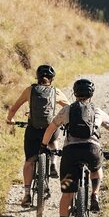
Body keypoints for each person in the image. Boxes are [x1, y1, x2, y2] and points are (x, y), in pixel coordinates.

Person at [41, 78, 109, 217]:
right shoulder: (97, 111)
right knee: (96, 168)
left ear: (75, 93)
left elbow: (51, 128)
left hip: (70, 155)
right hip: (92, 151)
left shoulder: (68, 110)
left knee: (67, 194)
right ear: (91, 94)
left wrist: (43, 146)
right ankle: (95, 194)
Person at [6, 64, 68, 207]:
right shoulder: (55, 91)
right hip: (49, 129)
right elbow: (69, 107)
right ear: (51, 79)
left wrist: (10, 120)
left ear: (37, 77)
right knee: (54, 138)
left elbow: (14, 108)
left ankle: (27, 194)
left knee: (29, 161)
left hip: (33, 130)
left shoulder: (29, 90)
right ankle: (53, 162)